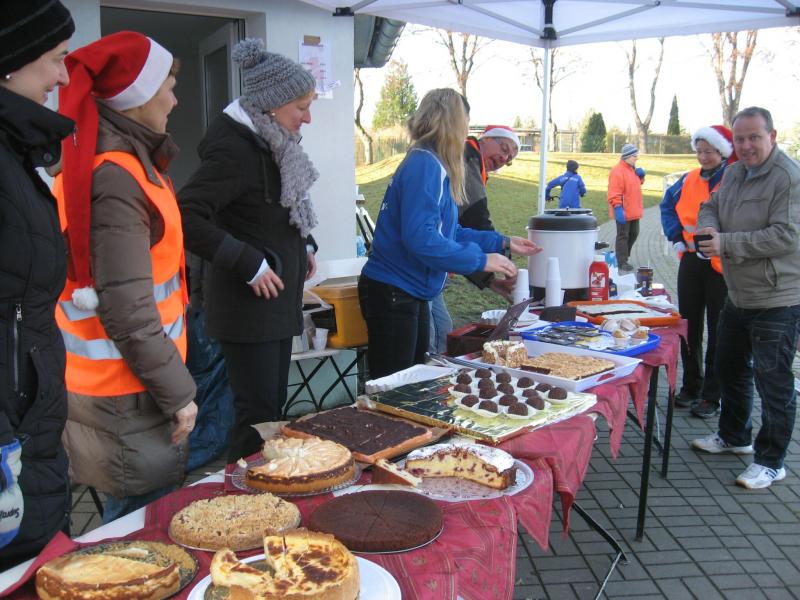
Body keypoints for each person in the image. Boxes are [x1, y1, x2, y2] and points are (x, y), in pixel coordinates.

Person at [55, 32, 197, 523]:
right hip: (127, 391)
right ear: (140, 96)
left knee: (136, 524)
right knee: (135, 532)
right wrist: (178, 393)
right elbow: (128, 310)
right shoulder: (116, 177)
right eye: (170, 88)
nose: (175, 101)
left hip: (127, 386)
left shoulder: (119, 165)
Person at [179, 39, 319, 463]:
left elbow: (268, 211)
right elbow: (184, 215)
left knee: (270, 415)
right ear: (272, 105)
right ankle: (244, 494)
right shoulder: (235, 150)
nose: (308, 118)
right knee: (256, 421)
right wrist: (248, 262)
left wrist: (304, 243)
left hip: (275, 306)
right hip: (248, 310)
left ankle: (261, 490)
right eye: (301, 107)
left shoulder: (272, 144)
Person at [359, 88, 540, 379]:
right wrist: (481, 260)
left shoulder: (433, 163)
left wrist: (501, 242)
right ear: (452, 123)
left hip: (409, 290)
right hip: (394, 290)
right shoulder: (425, 164)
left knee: (411, 382)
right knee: (395, 388)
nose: (466, 131)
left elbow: (450, 231)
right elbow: (422, 239)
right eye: (464, 123)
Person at [0, 0, 74, 568]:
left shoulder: (17, 155)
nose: (63, 76)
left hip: (33, 435)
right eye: (54, 58)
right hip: (13, 445)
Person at [691, 107, 800, 490]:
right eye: (740, 139)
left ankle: (771, 461)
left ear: (772, 135)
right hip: (739, 295)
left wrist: (725, 243)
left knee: (774, 382)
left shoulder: (789, 177)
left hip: (778, 298)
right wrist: (708, 230)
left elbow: (786, 235)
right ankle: (735, 436)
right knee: (729, 366)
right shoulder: (736, 172)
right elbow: (710, 206)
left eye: (755, 137)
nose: (747, 145)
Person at [660, 125, 736, 419]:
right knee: (688, 325)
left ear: (723, 152)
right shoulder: (688, 179)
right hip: (691, 261)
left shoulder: (733, 178)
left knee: (719, 330)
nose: (703, 157)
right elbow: (667, 205)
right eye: (700, 151)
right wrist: (675, 236)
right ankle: (691, 385)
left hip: (721, 265)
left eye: (710, 152)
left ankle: (712, 396)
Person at [428, 124, 522, 354]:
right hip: (418, 272)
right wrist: (503, 260)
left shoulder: (472, 164)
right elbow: (476, 220)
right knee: (430, 338)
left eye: (509, 158)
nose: (504, 158)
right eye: (504, 148)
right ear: (485, 139)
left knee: (441, 330)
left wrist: (490, 279)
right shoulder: (467, 157)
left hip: (433, 272)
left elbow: (458, 231)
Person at [607, 143, 643, 273]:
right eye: (634, 156)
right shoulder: (617, 171)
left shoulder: (632, 169)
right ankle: (622, 261)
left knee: (634, 233)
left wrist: (641, 177)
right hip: (623, 210)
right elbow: (614, 191)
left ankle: (623, 256)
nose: (636, 158)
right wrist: (617, 207)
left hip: (634, 209)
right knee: (623, 235)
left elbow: (635, 185)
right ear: (627, 156)